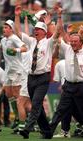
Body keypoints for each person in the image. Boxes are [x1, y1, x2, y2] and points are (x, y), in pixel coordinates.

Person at [49, 10, 83, 138]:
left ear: (81, 42)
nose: (72, 43)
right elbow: (60, 30)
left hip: (82, 85)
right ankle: (48, 133)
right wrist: (59, 16)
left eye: (75, 41)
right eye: (71, 41)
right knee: (60, 109)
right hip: (68, 85)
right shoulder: (68, 49)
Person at [14, 4, 60, 139]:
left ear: (44, 32)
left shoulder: (49, 42)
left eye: (38, 29)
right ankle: (47, 132)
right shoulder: (31, 41)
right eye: (35, 29)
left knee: (35, 104)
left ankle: (27, 129)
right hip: (31, 78)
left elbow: (57, 32)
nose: (35, 31)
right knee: (38, 107)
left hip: (43, 78)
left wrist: (58, 17)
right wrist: (17, 16)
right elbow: (17, 32)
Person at [0, 18, 27, 130]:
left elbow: (25, 47)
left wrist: (16, 50)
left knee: (16, 95)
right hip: (8, 70)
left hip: (17, 70)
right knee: (8, 94)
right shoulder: (4, 40)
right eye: (3, 27)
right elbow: (0, 46)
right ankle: (17, 117)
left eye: (6, 27)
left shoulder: (14, 38)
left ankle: (22, 122)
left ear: (11, 29)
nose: (4, 29)